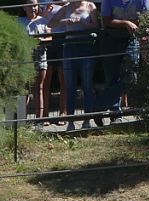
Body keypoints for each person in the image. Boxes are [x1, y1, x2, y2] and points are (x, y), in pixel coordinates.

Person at [100, 0, 149, 118]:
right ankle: (115, 115)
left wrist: (128, 23)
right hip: (111, 40)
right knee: (112, 76)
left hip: (131, 39)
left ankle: (100, 105)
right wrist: (126, 23)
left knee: (131, 75)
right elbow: (106, 20)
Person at [49, 0, 99, 131]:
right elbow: (51, 23)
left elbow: (96, 26)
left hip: (86, 46)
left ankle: (87, 119)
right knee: (69, 85)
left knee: (87, 84)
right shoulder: (67, 7)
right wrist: (66, 21)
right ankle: (70, 121)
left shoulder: (90, 6)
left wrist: (82, 22)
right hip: (70, 47)